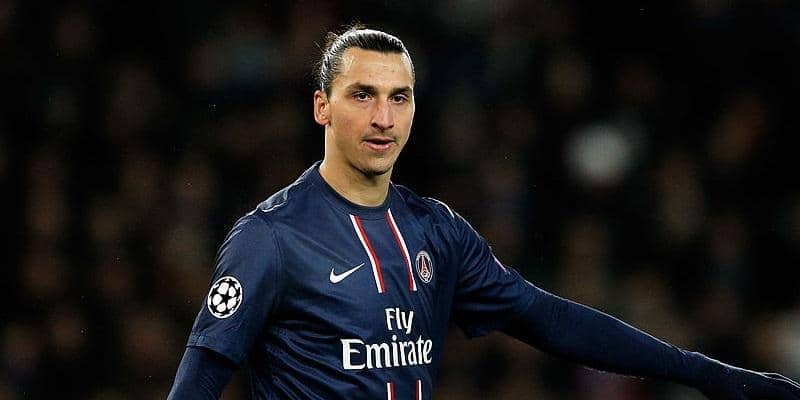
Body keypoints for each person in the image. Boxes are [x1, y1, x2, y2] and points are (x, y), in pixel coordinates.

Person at [167, 26, 800, 400]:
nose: (383, 117)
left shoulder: (436, 231)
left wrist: (705, 373)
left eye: (399, 98)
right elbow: (198, 382)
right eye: (362, 95)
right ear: (321, 107)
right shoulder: (271, 239)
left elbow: (548, 319)